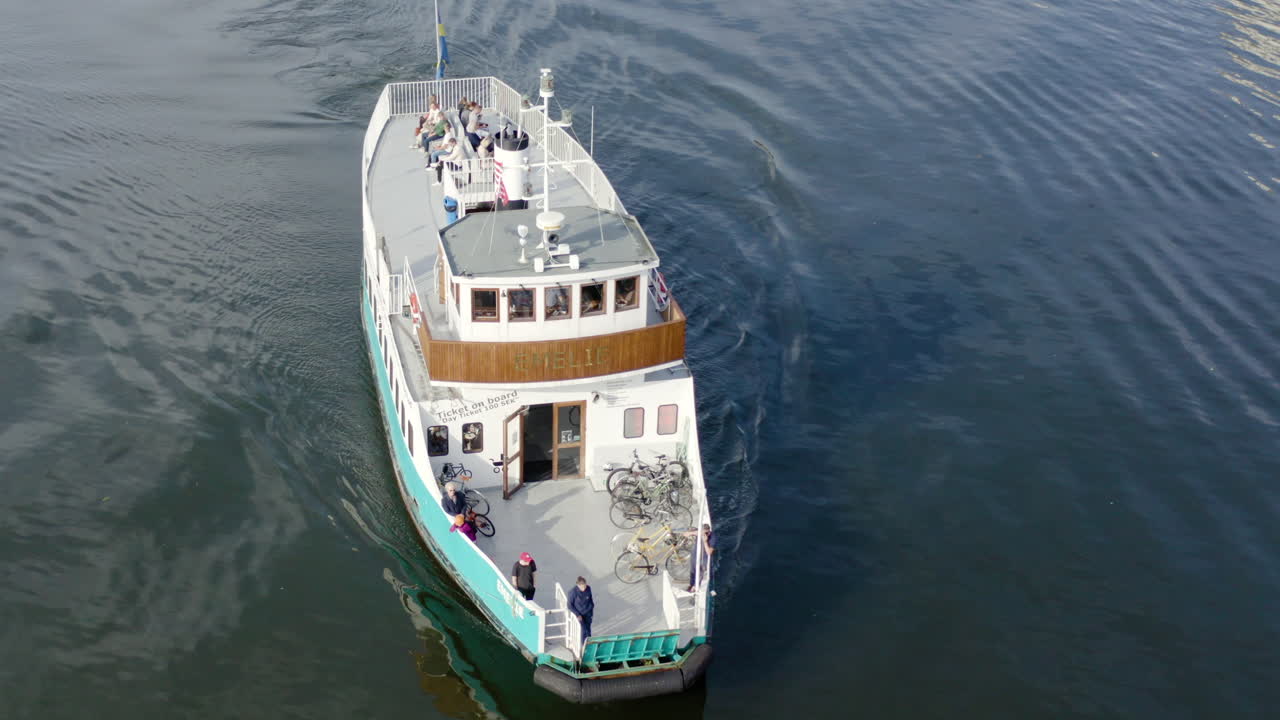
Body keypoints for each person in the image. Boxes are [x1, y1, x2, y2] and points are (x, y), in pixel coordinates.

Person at [686, 524, 715, 592]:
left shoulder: (713, 538)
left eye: (706, 533)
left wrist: (705, 542)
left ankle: (695, 587)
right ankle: (691, 584)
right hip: (695, 555)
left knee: (699, 573)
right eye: (701, 533)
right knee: (692, 571)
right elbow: (696, 532)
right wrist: (690, 533)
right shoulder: (700, 533)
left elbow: (709, 552)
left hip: (702, 558)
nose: (703, 534)